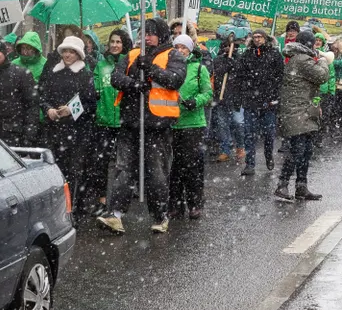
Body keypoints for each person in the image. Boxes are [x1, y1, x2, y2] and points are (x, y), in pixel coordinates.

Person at [97, 19, 186, 235]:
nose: (147, 37)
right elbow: (116, 78)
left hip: (157, 125)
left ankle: (160, 216)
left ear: (162, 36)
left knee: (156, 173)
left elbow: (174, 79)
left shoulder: (173, 55)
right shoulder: (132, 55)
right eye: (144, 33)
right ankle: (115, 215)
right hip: (131, 123)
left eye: (152, 33)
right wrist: (134, 84)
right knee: (124, 170)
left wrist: (152, 69)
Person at [37, 36, 97, 207]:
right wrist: (48, 109)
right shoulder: (52, 71)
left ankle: (72, 207)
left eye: (72, 52)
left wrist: (71, 110)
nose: (68, 55)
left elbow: (91, 103)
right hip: (54, 129)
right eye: (65, 51)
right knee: (55, 168)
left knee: (74, 171)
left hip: (77, 132)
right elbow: (41, 95)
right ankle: (57, 206)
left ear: (78, 54)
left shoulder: (85, 74)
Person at [275, 28, 329, 203]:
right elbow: (321, 76)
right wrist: (323, 60)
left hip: (302, 110)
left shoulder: (298, 58)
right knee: (297, 150)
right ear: (310, 44)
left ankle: (301, 186)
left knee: (306, 150)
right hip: (297, 112)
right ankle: (282, 185)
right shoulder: (302, 59)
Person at [168, 36, 213, 221]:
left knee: (192, 166)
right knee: (175, 168)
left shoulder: (199, 69)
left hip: (194, 124)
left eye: (183, 47)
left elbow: (208, 93)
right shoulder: (168, 68)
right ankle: (175, 205)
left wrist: (195, 102)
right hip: (173, 123)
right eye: (177, 47)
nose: (180, 50)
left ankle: (195, 203)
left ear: (190, 49)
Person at [234, 28, 284, 176]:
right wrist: (243, 93)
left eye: (260, 37)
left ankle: (268, 155)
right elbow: (240, 75)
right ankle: (250, 164)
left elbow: (280, 76)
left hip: (268, 102)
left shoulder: (274, 54)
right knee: (249, 134)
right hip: (251, 101)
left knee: (268, 133)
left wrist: (274, 95)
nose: (257, 39)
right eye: (255, 37)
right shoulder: (247, 55)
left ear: (265, 38)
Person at [89, 28, 128, 212]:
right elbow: (95, 89)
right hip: (103, 121)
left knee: (123, 164)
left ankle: (120, 202)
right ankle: (102, 200)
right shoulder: (100, 65)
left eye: (118, 42)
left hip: (124, 122)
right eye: (112, 41)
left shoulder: (129, 63)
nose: (115, 45)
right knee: (101, 163)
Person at [208, 33, 245, 162]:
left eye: (230, 46)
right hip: (221, 98)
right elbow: (217, 73)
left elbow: (242, 75)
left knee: (238, 123)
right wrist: (226, 65)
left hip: (236, 98)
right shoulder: (218, 60)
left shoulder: (240, 59)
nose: (227, 49)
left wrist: (233, 64)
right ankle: (225, 150)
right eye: (225, 46)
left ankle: (240, 147)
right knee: (222, 125)